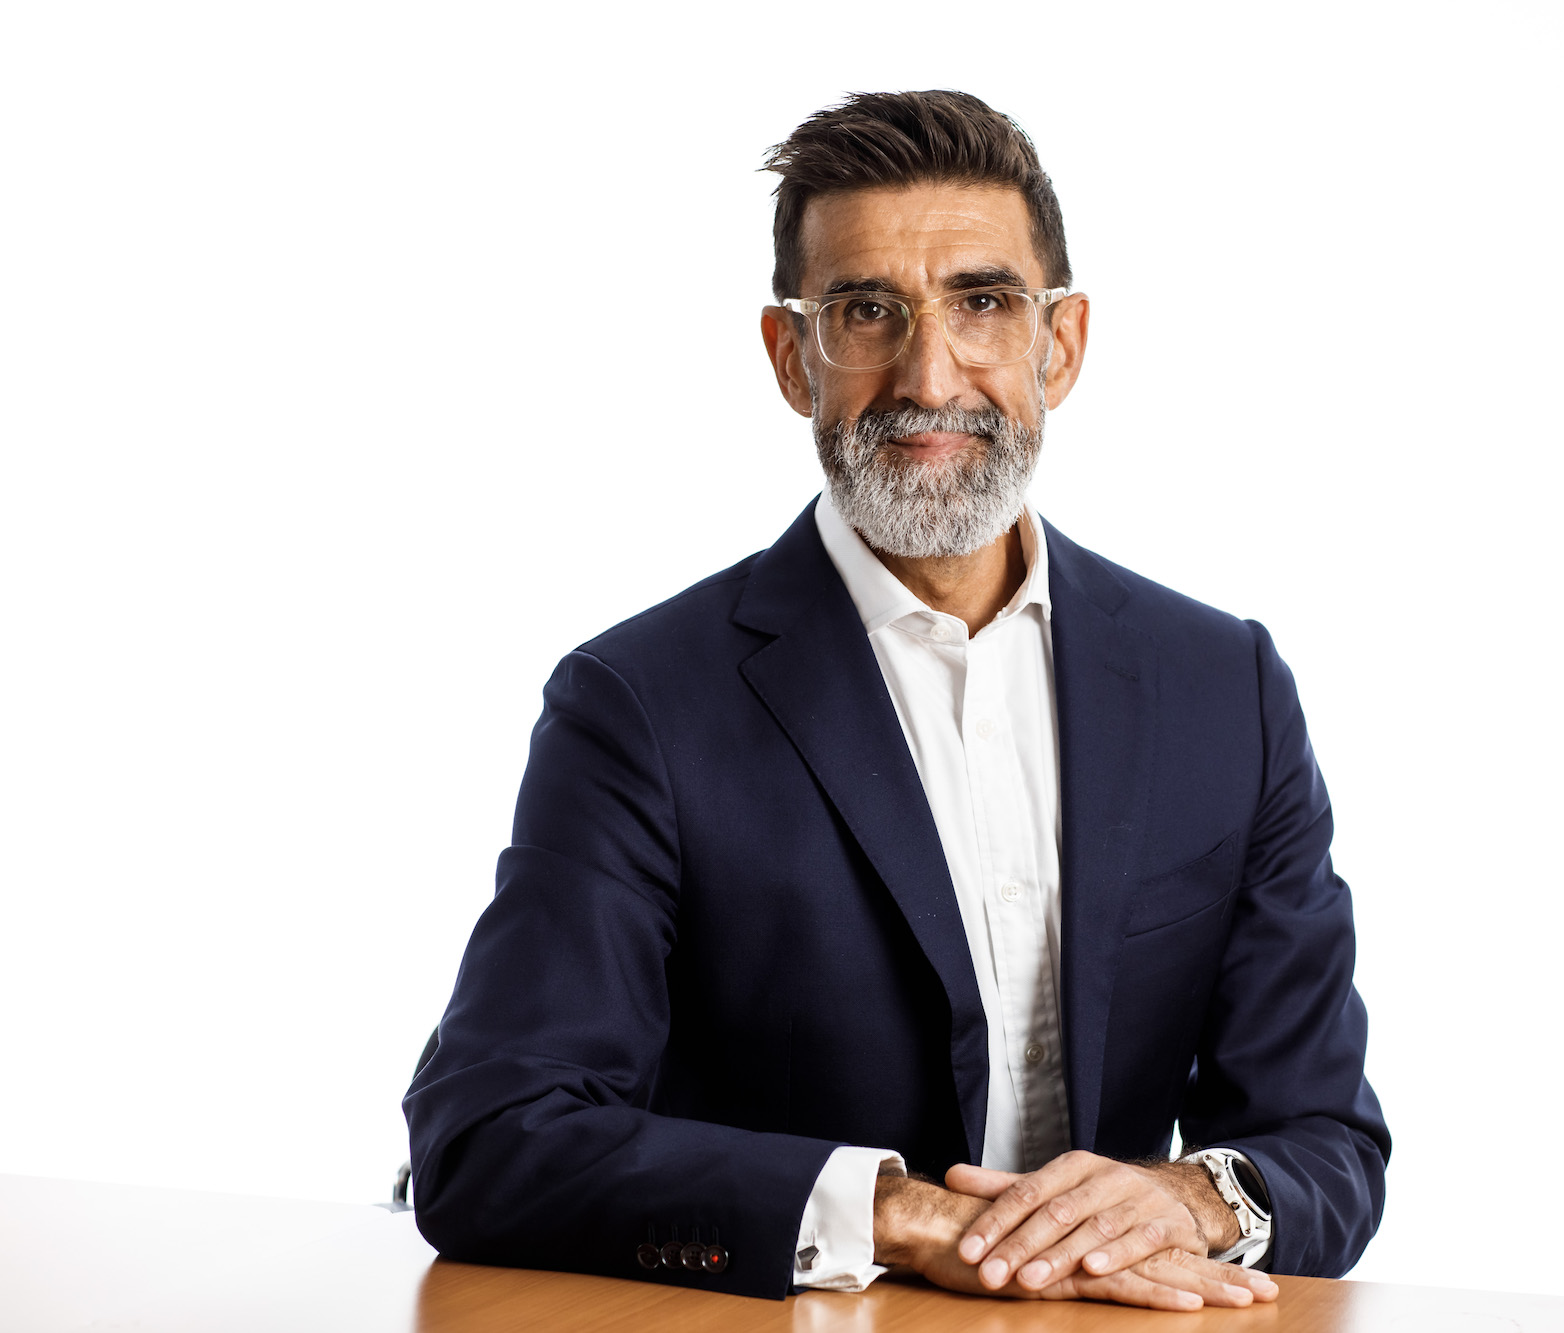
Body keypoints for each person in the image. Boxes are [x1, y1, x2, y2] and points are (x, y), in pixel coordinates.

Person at [404, 90, 1389, 1310]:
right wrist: (894, 1211)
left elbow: (1325, 1144)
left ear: (1060, 343)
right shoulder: (638, 705)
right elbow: (487, 1136)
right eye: (866, 311)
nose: (931, 373)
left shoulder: (1220, 687)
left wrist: (1190, 1198)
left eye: (982, 303)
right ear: (789, 356)